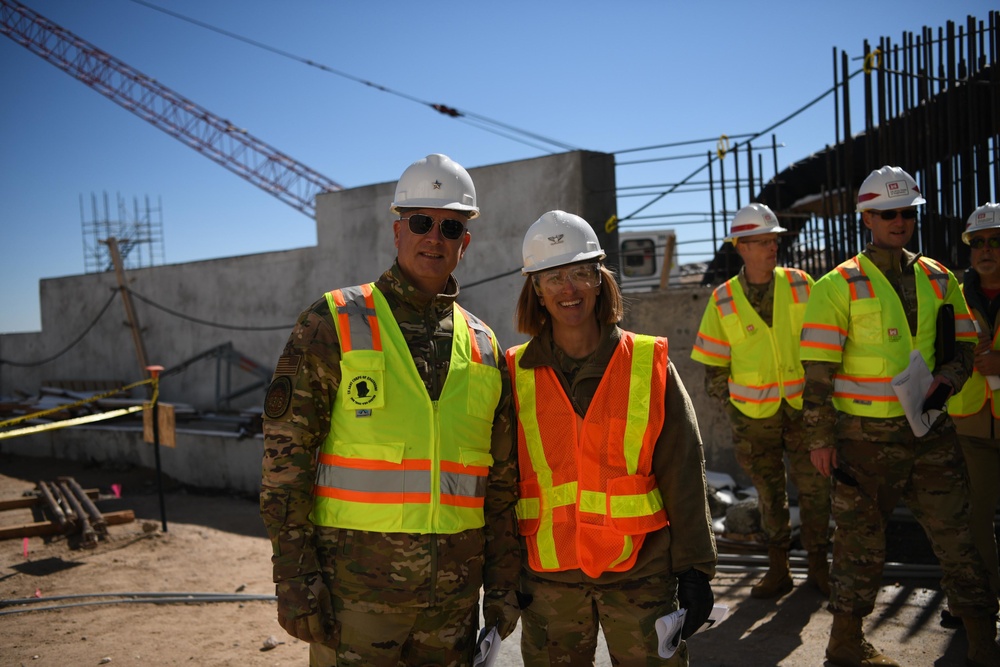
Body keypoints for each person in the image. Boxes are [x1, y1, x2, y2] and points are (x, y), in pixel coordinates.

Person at [259, 154, 521, 667]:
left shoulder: (485, 344)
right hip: (354, 600)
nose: (435, 237)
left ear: (464, 243)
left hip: (453, 604)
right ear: (398, 230)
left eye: (450, 226)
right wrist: (293, 575)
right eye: (421, 222)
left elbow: (502, 484)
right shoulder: (332, 321)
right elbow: (284, 463)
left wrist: (505, 581)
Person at [799, 166, 1000, 667]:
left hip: (931, 431)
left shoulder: (939, 276)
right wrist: (820, 439)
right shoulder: (837, 284)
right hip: (861, 441)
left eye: (907, 212)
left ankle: (982, 642)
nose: (899, 220)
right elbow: (818, 373)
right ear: (867, 216)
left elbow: (964, 343)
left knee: (958, 540)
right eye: (888, 212)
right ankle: (846, 644)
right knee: (859, 548)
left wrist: (949, 379)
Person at [507, 210, 717, 666]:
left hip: (640, 576)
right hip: (549, 583)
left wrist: (696, 568)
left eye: (581, 272)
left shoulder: (648, 363)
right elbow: (500, 483)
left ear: (600, 280)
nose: (569, 288)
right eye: (553, 276)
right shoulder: (512, 374)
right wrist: (500, 576)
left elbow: (683, 469)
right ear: (536, 290)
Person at [691, 202, 831, 600]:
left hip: (805, 411)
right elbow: (713, 368)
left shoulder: (802, 284)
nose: (772, 248)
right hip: (754, 420)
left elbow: (825, 343)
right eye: (763, 242)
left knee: (817, 490)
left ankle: (819, 567)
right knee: (770, 496)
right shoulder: (723, 299)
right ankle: (779, 570)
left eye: (774, 241)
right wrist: (735, 407)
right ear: (741, 247)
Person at [947, 202, 1000, 598]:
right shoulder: (953, 297)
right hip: (970, 424)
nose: (986, 250)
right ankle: (982, 604)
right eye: (978, 242)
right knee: (974, 521)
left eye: (996, 241)